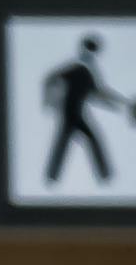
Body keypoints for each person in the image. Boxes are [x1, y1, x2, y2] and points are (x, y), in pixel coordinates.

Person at [42, 37, 122, 186]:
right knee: (86, 140)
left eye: (93, 51)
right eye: (90, 49)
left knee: (66, 142)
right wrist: (49, 101)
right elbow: (51, 78)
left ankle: (52, 176)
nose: (91, 54)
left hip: (77, 113)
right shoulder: (76, 68)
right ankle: (104, 175)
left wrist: (118, 103)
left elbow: (97, 93)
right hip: (70, 113)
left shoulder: (88, 72)